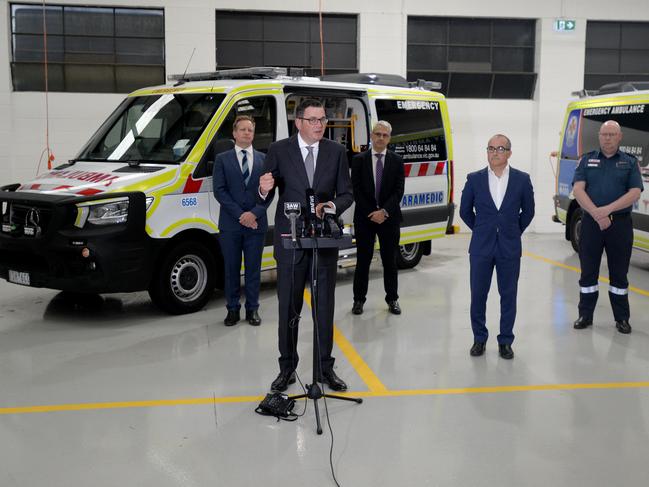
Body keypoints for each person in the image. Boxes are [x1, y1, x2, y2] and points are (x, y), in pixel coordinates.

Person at [258, 99, 353, 392]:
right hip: (290, 242)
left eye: (322, 119)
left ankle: (325, 368)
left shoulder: (336, 152)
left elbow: (347, 194)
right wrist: (263, 189)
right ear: (298, 122)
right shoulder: (279, 150)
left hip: (322, 241)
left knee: (324, 307)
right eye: (312, 120)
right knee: (289, 308)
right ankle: (287, 368)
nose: (318, 125)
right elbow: (262, 193)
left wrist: (332, 206)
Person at [459, 134, 535, 359]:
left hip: (509, 248)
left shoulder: (522, 179)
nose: (495, 152)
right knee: (478, 295)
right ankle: (479, 339)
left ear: (509, 153)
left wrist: (513, 231)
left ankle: (505, 341)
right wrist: (482, 229)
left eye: (500, 148)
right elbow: (465, 211)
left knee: (508, 295)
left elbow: (528, 212)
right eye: (491, 148)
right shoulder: (474, 179)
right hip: (481, 248)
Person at [572, 120, 643, 334]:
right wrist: (596, 213)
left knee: (619, 274)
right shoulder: (587, 160)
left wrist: (607, 211)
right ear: (599, 136)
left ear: (620, 137)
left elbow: (634, 193)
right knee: (588, 273)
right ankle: (585, 315)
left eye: (612, 134)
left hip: (619, 225)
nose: (608, 138)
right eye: (604, 134)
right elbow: (578, 190)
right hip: (592, 225)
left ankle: (622, 318)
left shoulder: (629, 162)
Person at [213, 115, 270, 327]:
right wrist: (241, 215)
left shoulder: (265, 160)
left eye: (250, 130)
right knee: (231, 269)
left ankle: (253, 309)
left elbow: (269, 192)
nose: (247, 133)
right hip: (231, 225)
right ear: (234, 133)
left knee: (254, 269)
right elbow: (219, 191)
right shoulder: (223, 159)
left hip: (256, 224)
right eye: (243, 129)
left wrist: (254, 213)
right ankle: (232, 309)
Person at [351, 120, 405, 315]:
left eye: (385, 135)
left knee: (390, 261)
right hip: (365, 219)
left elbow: (399, 191)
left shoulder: (397, 161)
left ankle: (392, 299)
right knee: (363, 261)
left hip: (389, 218)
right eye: (378, 134)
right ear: (372, 136)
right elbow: (356, 191)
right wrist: (372, 213)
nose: (381, 138)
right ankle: (358, 300)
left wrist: (384, 212)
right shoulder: (358, 160)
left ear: (389, 138)